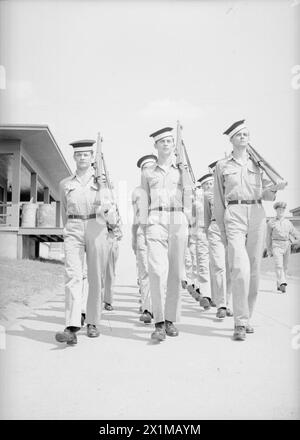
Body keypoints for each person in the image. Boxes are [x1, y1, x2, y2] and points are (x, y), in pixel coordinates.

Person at [214, 120, 278, 341]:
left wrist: (275, 189)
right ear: (231, 140)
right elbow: (219, 200)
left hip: (258, 213)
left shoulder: (258, 164)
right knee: (239, 267)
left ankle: (247, 317)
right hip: (234, 213)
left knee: (254, 268)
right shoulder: (222, 166)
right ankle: (240, 321)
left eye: (246, 134)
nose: (243, 137)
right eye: (239, 134)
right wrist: (222, 229)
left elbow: (268, 194)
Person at [55, 139, 117, 345]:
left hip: (96, 226)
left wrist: (105, 190)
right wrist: (69, 229)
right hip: (73, 228)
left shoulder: (103, 182)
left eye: (86, 155)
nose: (82, 158)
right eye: (79, 155)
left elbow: (110, 209)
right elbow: (64, 209)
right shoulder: (66, 183)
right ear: (74, 157)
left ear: (92, 158)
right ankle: (72, 326)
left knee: (95, 277)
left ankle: (92, 321)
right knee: (73, 276)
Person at [141, 127, 190, 341]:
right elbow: (144, 199)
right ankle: (159, 322)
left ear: (174, 145)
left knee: (175, 273)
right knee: (157, 271)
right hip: (155, 220)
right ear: (156, 146)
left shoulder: (182, 170)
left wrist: (187, 218)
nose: (167, 144)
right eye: (162, 141)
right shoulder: (148, 173)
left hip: (177, 219)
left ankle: (170, 320)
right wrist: (144, 225)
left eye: (170, 141)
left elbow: (189, 194)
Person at [204, 162, 232, 319]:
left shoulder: (232, 188)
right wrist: (210, 231)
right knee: (219, 266)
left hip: (233, 228)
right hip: (216, 228)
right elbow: (207, 217)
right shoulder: (208, 194)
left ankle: (228, 302)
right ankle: (221, 304)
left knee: (231, 267)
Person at [132, 154, 157, 324]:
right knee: (146, 271)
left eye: (151, 167)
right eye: (145, 168)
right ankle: (148, 308)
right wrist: (134, 238)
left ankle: (160, 308)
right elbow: (135, 217)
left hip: (161, 232)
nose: (148, 170)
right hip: (143, 231)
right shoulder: (137, 192)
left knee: (159, 271)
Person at [266, 201, 299, 293]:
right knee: (278, 265)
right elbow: (268, 236)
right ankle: (283, 283)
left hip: (286, 245)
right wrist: (269, 249)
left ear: (284, 210)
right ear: (276, 210)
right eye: (279, 209)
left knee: (285, 266)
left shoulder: (288, 222)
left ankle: (279, 283)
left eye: (283, 209)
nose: (281, 211)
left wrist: (297, 238)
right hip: (276, 245)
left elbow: (294, 232)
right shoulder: (271, 222)